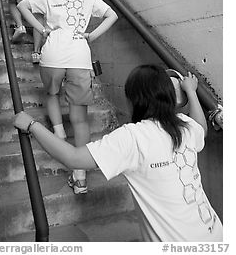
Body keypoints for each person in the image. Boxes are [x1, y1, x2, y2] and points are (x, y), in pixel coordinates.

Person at [14, 64, 223, 241]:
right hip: (215, 233)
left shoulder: (133, 137)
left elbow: (74, 158)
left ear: (133, 100)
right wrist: (193, 92)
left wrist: (32, 125)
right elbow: (201, 130)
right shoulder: (184, 126)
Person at [16, 0, 118, 194]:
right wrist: (91, 36)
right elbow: (112, 15)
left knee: (51, 93)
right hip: (79, 58)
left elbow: (22, 6)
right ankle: (80, 176)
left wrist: (42, 30)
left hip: (52, 55)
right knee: (80, 118)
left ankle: (59, 134)